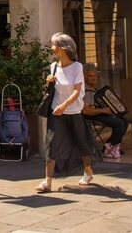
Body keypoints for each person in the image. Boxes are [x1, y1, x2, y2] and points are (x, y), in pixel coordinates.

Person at [37, 33, 97, 193]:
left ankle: (88, 171)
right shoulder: (53, 67)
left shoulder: (77, 67)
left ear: (62, 48)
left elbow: (77, 92)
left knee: (81, 143)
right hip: (56, 112)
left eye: (53, 45)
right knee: (52, 144)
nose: (51, 48)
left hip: (73, 111)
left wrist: (64, 106)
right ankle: (47, 182)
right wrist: (48, 81)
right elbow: (53, 91)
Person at [82, 63, 128, 159]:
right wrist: (103, 110)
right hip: (90, 116)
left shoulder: (95, 89)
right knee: (118, 123)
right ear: (85, 77)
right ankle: (110, 147)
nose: (93, 78)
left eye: (95, 76)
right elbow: (86, 111)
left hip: (99, 113)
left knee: (124, 121)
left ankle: (111, 146)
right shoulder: (84, 91)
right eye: (90, 76)